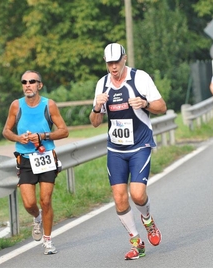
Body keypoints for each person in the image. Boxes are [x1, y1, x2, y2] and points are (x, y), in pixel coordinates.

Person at [89, 43, 166, 260]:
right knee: (120, 199)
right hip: (115, 149)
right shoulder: (102, 84)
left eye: (116, 61)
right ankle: (136, 242)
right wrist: (96, 107)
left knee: (138, 194)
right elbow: (94, 122)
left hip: (140, 145)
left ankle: (148, 220)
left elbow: (162, 107)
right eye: (109, 63)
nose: (113, 67)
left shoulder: (140, 78)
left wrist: (144, 103)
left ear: (124, 58)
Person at [2, 70, 69, 255]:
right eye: (24, 82)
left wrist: (43, 136)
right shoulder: (16, 106)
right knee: (29, 203)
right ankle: (37, 217)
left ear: (39, 85)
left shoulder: (50, 105)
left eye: (32, 81)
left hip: (46, 157)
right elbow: (6, 131)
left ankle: (48, 241)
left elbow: (64, 131)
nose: (27, 85)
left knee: (45, 200)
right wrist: (18, 137)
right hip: (25, 159)